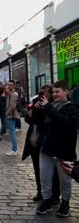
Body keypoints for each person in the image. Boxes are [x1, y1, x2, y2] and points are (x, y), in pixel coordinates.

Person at [36, 80, 79, 217]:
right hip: (47, 148)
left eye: (57, 91)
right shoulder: (49, 106)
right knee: (45, 177)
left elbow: (63, 122)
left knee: (65, 180)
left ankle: (65, 203)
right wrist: (37, 110)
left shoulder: (72, 107)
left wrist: (48, 107)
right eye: (53, 92)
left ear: (66, 92)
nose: (54, 94)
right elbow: (39, 124)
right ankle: (46, 201)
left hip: (64, 150)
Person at [22, 85, 60, 203]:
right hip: (33, 141)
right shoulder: (36, 103)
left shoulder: (52, 106)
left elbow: (47, 123)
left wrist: (43, 109)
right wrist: (33, 110)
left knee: (51, 171)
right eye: (42, 93)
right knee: (37, 169)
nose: (43, 95)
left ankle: (54, 195)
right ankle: (40, 191)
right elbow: (28, 119)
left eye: (46, 93)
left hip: (45, 142)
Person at [5, 80, 20, 156]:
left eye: (11, 85)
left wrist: (6, 113)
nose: (9, 86)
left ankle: (14, 150)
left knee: (12, 132)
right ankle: (14, 149)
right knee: (12, 132)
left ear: (13, 86)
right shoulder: (10, 93)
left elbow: (13, 106)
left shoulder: (13, 94)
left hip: (11, 115)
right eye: (8, 85)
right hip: (10, 115)